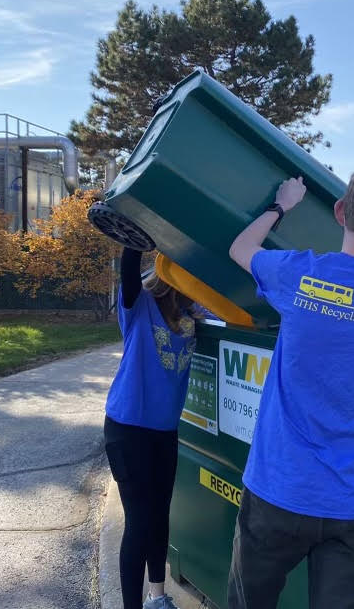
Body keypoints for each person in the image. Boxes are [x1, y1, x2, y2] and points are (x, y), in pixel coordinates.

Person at [226, 163, 354, 609]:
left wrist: (283, 205)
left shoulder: (295, 274)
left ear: (339, 212)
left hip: (279, 490)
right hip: (353, 505)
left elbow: (241, 247)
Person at [103, 247, 198, 609]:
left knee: (159, 516)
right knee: (140, 524)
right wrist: (140, 234)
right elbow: (128, 267)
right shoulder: (138, 306)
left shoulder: (191, 316)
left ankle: (157, 597)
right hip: (129, 430)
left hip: (164, 432)